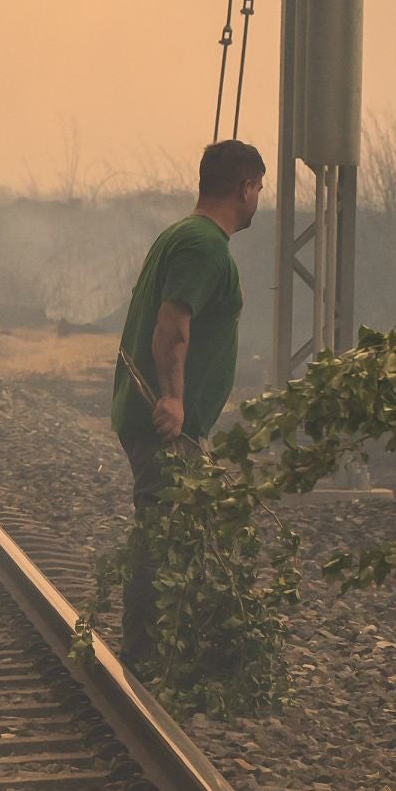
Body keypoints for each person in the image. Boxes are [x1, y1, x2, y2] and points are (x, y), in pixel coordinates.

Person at [110, 140, 265, 666]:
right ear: (244, 188)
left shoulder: (183, 234)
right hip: (163, 417)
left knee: (168, 532)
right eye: (259, 188)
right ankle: (146, 663)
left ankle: (152, 656)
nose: (258, 199)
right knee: (162, 537)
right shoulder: (204, 246)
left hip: (160, 415)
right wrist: (174, 400)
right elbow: (172, 327)